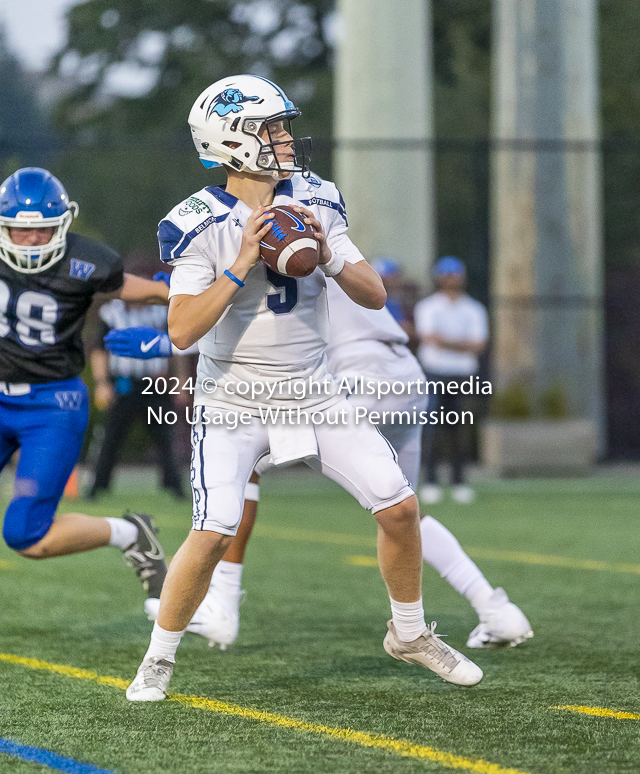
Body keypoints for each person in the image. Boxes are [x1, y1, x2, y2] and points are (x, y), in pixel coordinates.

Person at [125, 74, 484, 702]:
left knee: (400, 508)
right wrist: (240, 264)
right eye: (273, 128)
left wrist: (329, 252)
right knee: (212, 531)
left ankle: (408, 634)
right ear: (233, 141)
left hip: (317, 393)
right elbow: (181, 330)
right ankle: (159, 658)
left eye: (285, 126)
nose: (287, 137)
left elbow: (374, 295)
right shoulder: (197, 221)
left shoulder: (314, 196)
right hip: (232, 401)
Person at [113, 277, 532, 652]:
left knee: (243, 456)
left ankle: (222, 605)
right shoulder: (322, 241)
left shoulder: (271, 246)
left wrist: (164, 339)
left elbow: (258, 328)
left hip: (352, 375)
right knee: (402, 512)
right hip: (405, 376)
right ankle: (497, 610)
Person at [0, 167, 169, 612]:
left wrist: (210, 290)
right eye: (21, 229)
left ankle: (130, 533)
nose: (32, 241)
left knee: (26, 537)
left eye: (42, 230)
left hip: (51, 404)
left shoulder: (85, 260)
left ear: (62, 225)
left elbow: (150, 293)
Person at [88, 297, 185, 500]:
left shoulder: (159, 313)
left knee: (165, 437)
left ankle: (174, 486)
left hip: (155, 384)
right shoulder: (112, 312)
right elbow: (99, 350)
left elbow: (178, 347)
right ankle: (98, 486)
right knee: (111, 438)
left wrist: (179, 382)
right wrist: (102, 383)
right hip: (124, 384)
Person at [413, 257, 488, 504]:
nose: (451, 279)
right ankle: (431, 480)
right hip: (434, 372)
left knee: (460, 429)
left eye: (455, 274)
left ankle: (459, 481)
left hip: (462, 375)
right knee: (431, 428)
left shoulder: (474, 309)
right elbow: (429, 338)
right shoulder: (428, 307)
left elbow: (478, 344)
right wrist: (460, 344)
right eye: (447, 275)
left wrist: (447, 342)